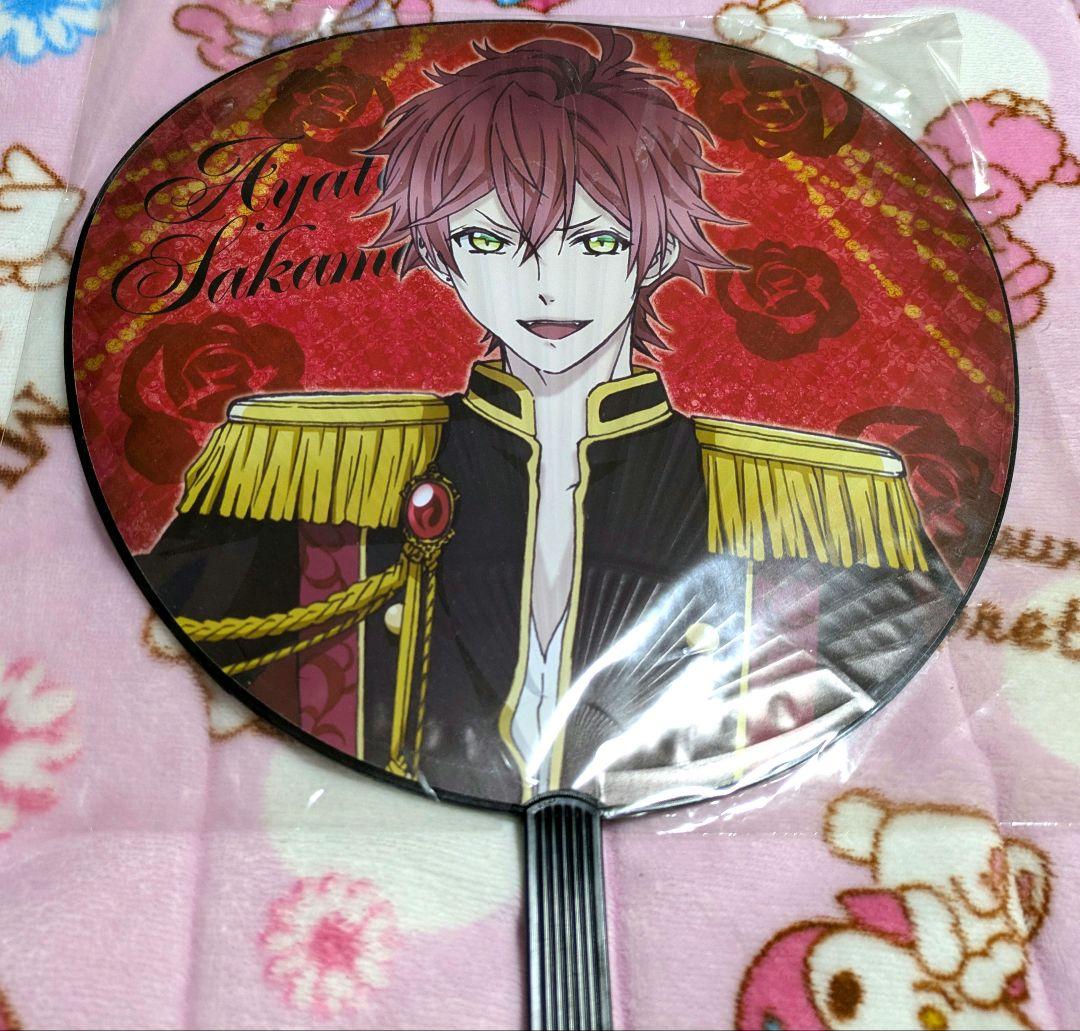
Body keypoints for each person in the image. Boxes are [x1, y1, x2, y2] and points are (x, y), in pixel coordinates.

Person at [142, 28, 960, 809]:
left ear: (656, 252)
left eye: (595, 243)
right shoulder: (306, 464)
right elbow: (163, 661)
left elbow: (915, 692)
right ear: (441, 257)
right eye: (490, 242)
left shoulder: (817, 499)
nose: (545, 284)